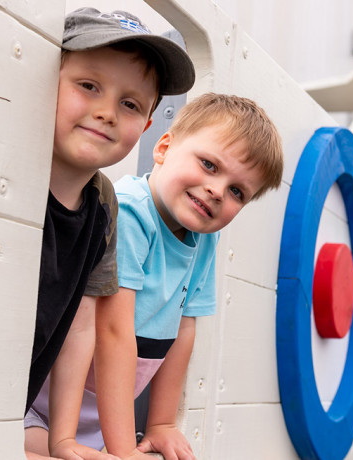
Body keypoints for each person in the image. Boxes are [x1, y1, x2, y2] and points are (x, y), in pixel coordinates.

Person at [26, 93, 284, 460]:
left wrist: (161, 423)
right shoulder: (131, 212)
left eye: (236, 191)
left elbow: (183, 332)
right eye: (209, 165)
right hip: (41, 406)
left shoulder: (204, 240)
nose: (216, 191)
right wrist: (124, 451)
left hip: (99, 419)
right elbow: (112, 331)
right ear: (163, 147)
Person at [24, 7, 195, 460]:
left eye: (130, 103)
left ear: (147, 124)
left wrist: (63, 439)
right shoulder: (18, 179)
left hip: (26, 406)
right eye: (89, 86)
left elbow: (82, 328)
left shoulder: (104, 203)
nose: (106, 112)